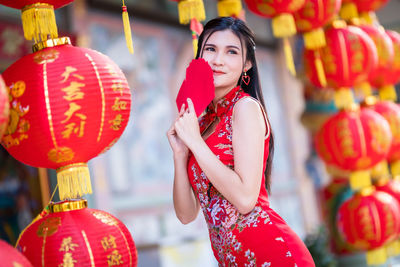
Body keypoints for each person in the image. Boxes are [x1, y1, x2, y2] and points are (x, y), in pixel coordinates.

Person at [167, 17, 315, 266]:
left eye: (231, 52)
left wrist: (196, 143)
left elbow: (246, 199)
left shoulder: (245, 108)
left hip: (272, 255)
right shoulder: (202, 125)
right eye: (210, 49)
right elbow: (186, 214)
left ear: (247, 64)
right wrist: (181, 154)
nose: (218, 60)